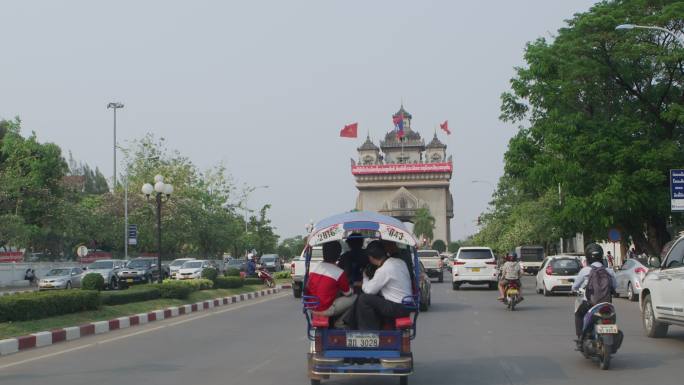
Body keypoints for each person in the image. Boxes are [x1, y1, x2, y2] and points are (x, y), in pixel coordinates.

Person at [353, 241, 413, 330]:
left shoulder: (384, 269)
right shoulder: (399, 262)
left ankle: (368, 332)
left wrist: (365, 277)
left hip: (397, 307)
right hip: (406, 305)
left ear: (371, 258)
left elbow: (369, 290)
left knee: (363, 299)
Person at [571, 243, 617, 347]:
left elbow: (575, 286)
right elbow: (615, 286)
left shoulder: (585, 271)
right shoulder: (609, 271)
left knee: (578, 314)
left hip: (590, 304)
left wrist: (575, 289)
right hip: (607, 303)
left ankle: (580, 338)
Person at [306, 242, 355, 326]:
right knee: (356, 297)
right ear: (338, 255)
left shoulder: (313, 268)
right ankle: (341, 321)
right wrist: (353, 287)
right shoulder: (339, 272)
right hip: (325, 309)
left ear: (323, 253)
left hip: (311, 307)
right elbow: (348, 293)